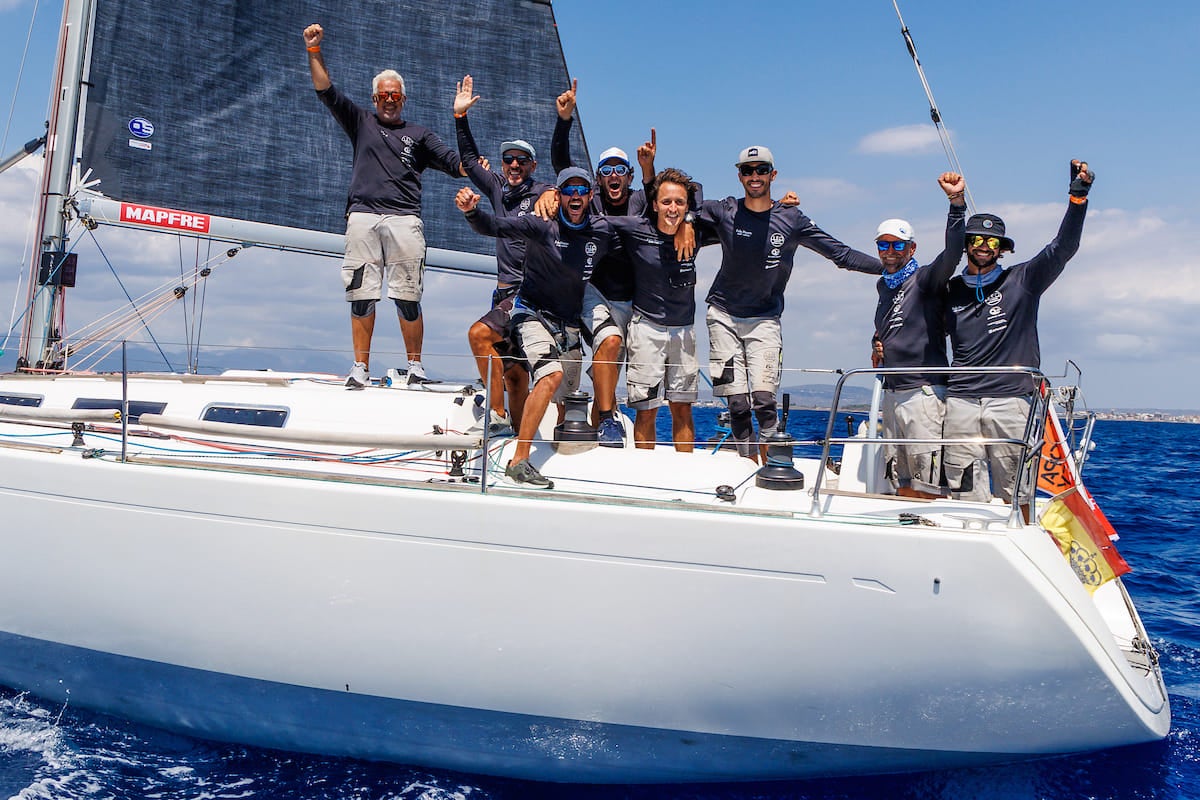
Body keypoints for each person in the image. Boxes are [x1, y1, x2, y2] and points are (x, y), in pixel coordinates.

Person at [688, 146, 881, 460]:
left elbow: (841, 255)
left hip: (764, 319)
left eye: (761, 170)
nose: (754, 176)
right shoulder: (726, 209)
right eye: (748, 170)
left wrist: (890, 268)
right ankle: (746, 463)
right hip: (721, 316)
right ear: (739, 175)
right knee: (737, 404)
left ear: (772, 175)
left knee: (764, 402)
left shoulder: (791, 218)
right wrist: (685, 222)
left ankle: (774, 465)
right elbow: (687, 199)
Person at [304, 23, 464, 389]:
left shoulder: (419, 135)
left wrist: (475, 160)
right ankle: (360, 368)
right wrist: (314, 50)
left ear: (403, 99)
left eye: (395, 95)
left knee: (407, 296)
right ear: (374, 99)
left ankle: (415, 368)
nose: (389, 100)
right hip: (363, 216)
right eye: (383, 96)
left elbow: (455, 164)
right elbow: (325, 90)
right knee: (362, 294)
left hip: (405, 219)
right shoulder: (360, 121)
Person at [942, 160, 1094, 503]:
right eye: (977, 239)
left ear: (1002, 248)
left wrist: (1078, 200)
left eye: (992, 241)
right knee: (963, 490)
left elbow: (1063, 248)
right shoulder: (950, 290)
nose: (984, 245)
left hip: (1012, 402)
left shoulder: (1023, 280)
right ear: (966, 245)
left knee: (1017, 492)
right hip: (961, 401)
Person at [456, 168, 614, 489]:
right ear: (558, 195)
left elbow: (643, 225)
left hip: (567, 322)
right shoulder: (541, 225)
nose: (574, 196)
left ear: (589, 196)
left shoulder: (602, 230)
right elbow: (496, 226)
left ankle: (562, 460)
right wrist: (472, 211)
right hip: (530, 312)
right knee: (550, 374)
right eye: (567, 190)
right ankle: (519, 461)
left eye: (581, 190)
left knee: (564, 398)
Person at [452, 75, 555, 434]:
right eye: (508, 159)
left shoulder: (544, 190)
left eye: (521, 160)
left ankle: (495, 418)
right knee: (513, 374)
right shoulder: (496, 186)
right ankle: (513, 434)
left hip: (530, 296)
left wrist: (554, 192)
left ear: (533, 166)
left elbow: (570, 195)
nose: (513, 165)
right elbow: (468, 158)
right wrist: (460, 119)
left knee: (478, 335)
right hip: (503, 293)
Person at [549, 80, 648, 446]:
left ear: (630, 175)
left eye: (619, 169)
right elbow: (562, 167)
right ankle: (602, 420)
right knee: (583, 358)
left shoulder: (641, 202)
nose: (612, 176)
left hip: (628, 301)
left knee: (609, 371)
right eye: (604, 171)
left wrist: (685, 223)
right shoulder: (589, 203)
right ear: (598, 180)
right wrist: (564, 121)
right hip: (589, 293)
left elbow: (688, 196)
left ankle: (602, 423)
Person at [871, 172, 967, 498]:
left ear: (911, 248)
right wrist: (877, 343)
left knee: (929, 478)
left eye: (898, 245)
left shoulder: (926, 280)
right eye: (884, 245)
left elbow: (953, 254)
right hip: (892, 391)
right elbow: (889, 325)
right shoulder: (884, 285)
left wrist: (956, 205)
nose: (890, 251)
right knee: (900, 477)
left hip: (922, 392)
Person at [607, 167, 711, 451]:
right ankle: (644, 472)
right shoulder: (636, 228)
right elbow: (591, 222)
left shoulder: (696, 231)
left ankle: (684, 472)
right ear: (654, 204)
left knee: (683, 408)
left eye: (680, 202)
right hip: (646, 328)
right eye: (666, 202)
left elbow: (698, 187)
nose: (673, 208)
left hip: (684, 331)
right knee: (646, 409)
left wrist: (689, 220)